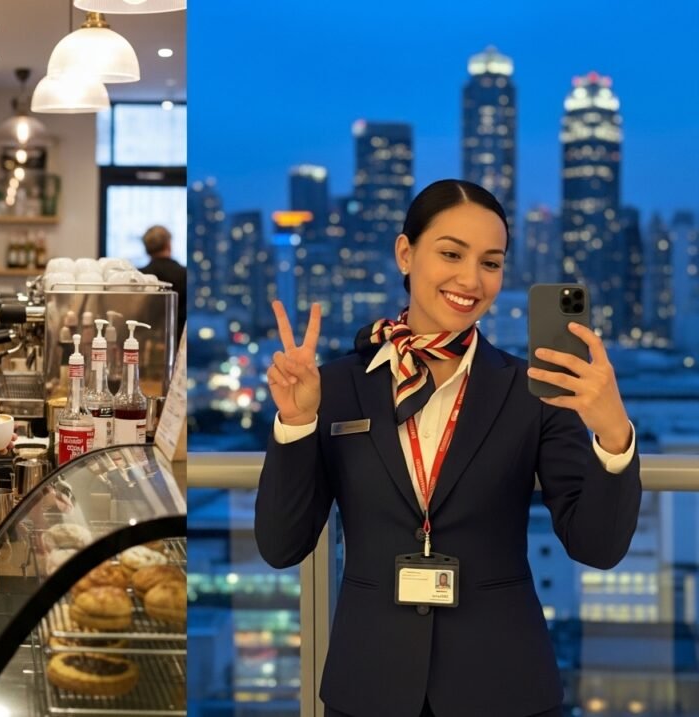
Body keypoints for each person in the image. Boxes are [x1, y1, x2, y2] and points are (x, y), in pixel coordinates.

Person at [254, 179, 641, 717]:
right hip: (369, 683)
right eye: (451, 254)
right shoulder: (335, 386)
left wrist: (613, 433)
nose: (471, 279)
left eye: (491, 262)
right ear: (405, 253)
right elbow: (281, 546)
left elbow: (596, 547)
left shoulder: (533, 391)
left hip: (504, 686)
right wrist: (297, 424)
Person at [139, 224, 186, 342]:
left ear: (146, 249)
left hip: (145, 343)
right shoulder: (185, 274)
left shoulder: (139, 277)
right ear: (168, 245)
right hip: (178, 342)